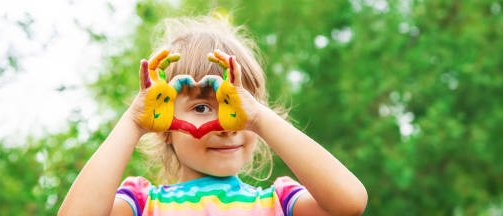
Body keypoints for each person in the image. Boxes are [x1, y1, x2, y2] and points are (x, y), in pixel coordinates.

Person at [58, 14, 367, 216]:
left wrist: (260, 118)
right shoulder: (143, 204)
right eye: (202, 107)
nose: (227, 126)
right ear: (164, 126)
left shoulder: (279, 204)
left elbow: (350, 203)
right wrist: (132, 123)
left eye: (239, 106)